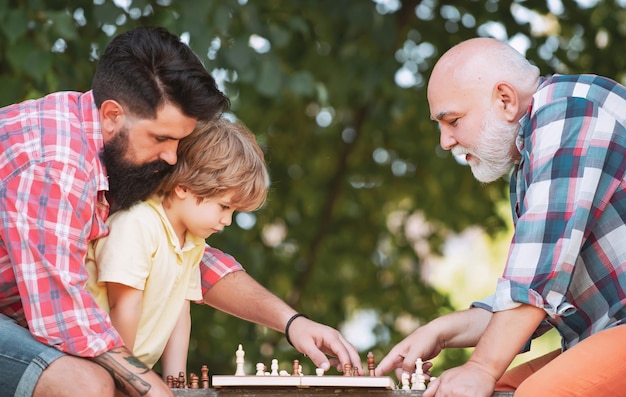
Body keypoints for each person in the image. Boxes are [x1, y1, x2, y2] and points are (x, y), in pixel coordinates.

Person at [0, 26, 361, 397]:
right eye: (162, 138)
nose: (172, 157)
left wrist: (291, 322)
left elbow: (181, 257)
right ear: (112, 115)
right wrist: (152, 389)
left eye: (178, 140)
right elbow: (63, 315)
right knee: (84, 385)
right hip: (34, 316)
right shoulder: (56, 167)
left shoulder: (119, 152)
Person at [375, 37, 626, 397]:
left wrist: (481, 367)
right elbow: (536, 297)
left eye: (452, 120)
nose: (445, 141)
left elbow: (535, 280)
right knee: (503, 390)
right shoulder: (527, 162)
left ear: (505, 100)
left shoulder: (571, 109)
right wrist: (441, 331)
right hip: (609, 333)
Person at [85, 117, 268, 381]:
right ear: (183, 187)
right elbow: (124, 307)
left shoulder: (192, 243)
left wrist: (176, 381)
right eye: (224, 207)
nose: (227, 220)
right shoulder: (138, 225)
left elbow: (179, 313)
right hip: (98, 367)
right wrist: (126, 378)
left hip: (134, 371)